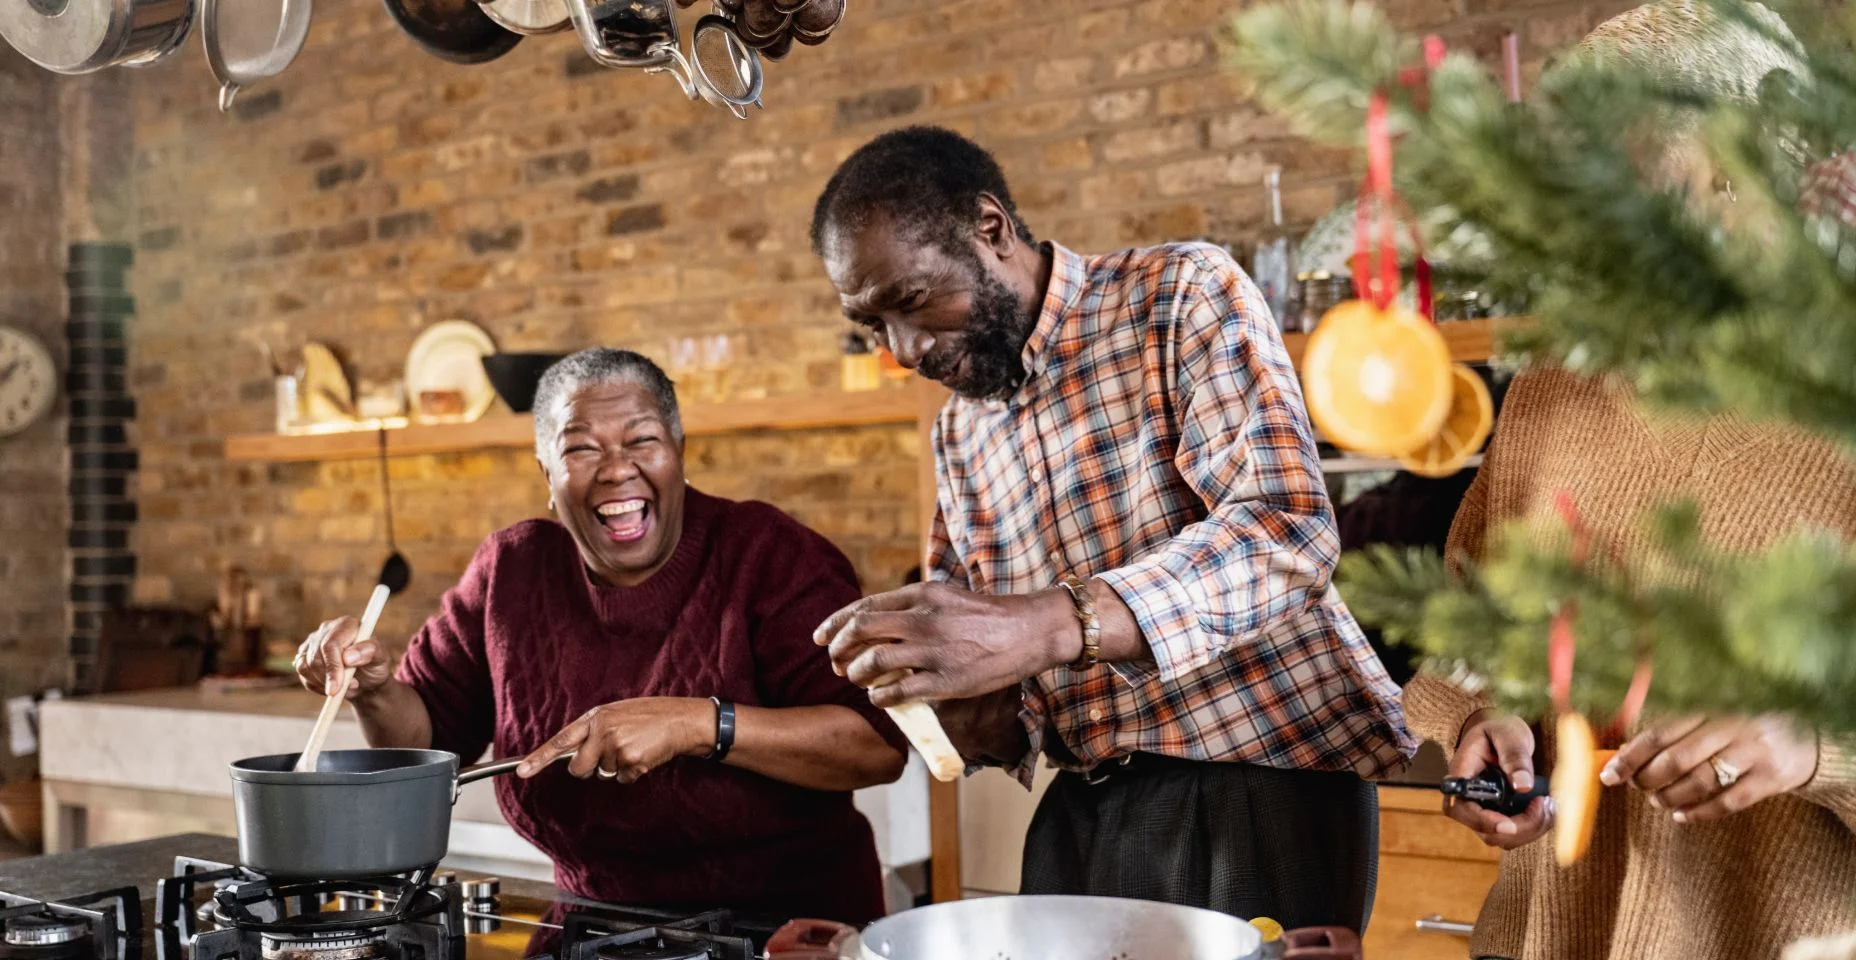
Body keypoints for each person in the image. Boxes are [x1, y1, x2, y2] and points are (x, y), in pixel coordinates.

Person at [804, 126, 1415, 931]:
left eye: (913, 302)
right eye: (870, 323)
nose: (903, 350)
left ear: (991, 229)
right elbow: (1006, 691)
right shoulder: (959, 432)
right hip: (1084, 804)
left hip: (1254, 779)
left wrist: (1048, 624)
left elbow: (1283, 533)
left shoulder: (1177, 295)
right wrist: (947, 695)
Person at [293, 348, 908, 924]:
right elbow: (422, 742)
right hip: (591, 927)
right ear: (547, 475)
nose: (617, 469)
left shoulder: (769, 556)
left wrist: (700, 724)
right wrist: (372, 690)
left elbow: (877, 744)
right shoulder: (511, 568)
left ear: (680, 452)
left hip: (784, 927)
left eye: (642, 440)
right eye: (582, 449)